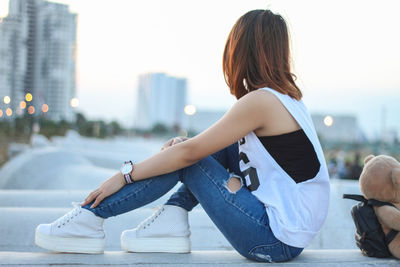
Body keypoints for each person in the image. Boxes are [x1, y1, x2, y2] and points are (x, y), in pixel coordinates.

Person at [34, 9, 330, 263]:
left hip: (273, 239)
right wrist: (183, 148)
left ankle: (91, 218)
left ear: (240, 50)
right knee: (198, 149)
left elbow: (189, 156)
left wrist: (124, 175)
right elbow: (199, 147)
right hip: (287, 234)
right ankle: (172, 220)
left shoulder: (261, 102)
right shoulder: (285, 100)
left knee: (189, 158)